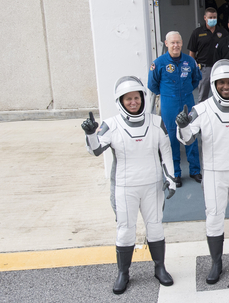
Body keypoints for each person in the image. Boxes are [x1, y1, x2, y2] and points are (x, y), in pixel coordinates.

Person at [81, 76, 177, 294]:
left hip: (152, 184)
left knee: (155, 226)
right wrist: (90, 134)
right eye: (128, 99)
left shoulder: (156, 121)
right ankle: (123, 273)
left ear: (143, 98)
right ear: (120, 101)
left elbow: (166, 151)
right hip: (125, 187)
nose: (133, 102)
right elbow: (95, 150)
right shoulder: (110, 125)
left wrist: (170, 177)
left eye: (136, 97)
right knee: (125, 230)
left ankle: (160, 267)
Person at [175, 59, 229, 284]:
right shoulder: (201, 110)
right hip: (214, 174)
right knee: (214, 218)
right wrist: (183, 126)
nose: (226, 86)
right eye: (222, 82)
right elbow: (187, 139)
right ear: (214, 83)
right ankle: (216, 262)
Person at [148, 31, 202, 187]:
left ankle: (195, 170)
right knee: (171, 138)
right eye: (172, 43)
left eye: (178, 42)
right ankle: (175, 173)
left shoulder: (190, 61)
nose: (175, 45)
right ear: (166, 43)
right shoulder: (159, 63)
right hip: (168, 104)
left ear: (182, 42)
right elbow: (152, 85)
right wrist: (167, 94)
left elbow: (195, 80)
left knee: (190, 134)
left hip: (187, 101)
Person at [188, 7, 229, 102]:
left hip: (219, 67)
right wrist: (192, 69)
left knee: (221, 94)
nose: (212, 19)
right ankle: (202, 116)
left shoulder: (223, 32)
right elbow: (192, 52)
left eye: (214, 17)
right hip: (203, 69)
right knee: (203, 96)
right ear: (205, 18)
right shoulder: (197, 32)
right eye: (210, 17)